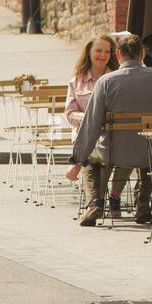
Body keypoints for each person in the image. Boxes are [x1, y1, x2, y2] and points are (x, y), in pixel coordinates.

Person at [68, 33, 152, 227]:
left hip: (113, 152)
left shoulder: (106, 81)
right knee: (149, 151)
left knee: (90, 160)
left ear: (118, 54)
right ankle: (143, 206)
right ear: (142, 54)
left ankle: (95, 203)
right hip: (149, 151)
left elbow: (92, 125)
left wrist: (78, 158)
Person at [62, 35, 123, 215]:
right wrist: (91, 118)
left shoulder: (116, 78)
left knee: (102, 154)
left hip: (111, 135)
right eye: (98, 50)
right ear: (88, 52)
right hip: (85, 135)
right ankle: (99, 201)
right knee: (90, 151)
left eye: (107, 51)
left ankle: (98, 202)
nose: (103, 55)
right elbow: (70, 113)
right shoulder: (76, 81)